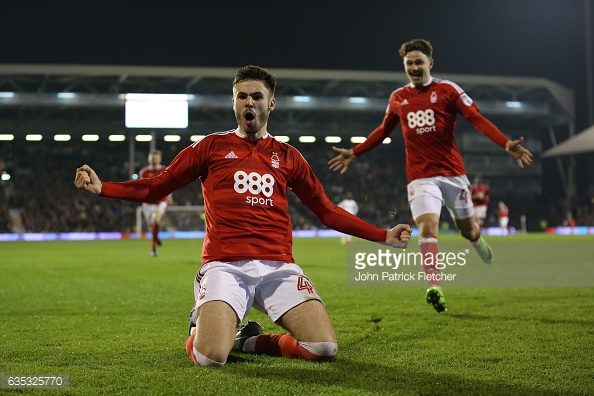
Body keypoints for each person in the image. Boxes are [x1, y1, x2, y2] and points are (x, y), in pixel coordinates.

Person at [74, 65, 412, 367]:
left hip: (278, 266)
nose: (248, 102)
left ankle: (246, 340)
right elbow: (157, 187)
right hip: (225, 265)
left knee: (322, 347)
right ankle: (201, 325)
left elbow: (326, 210)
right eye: (241, 96)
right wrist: (104, 188)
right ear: (234, 103)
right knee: (209, 357)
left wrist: (383, 235)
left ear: (271, 104)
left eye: (256, 96)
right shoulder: (209, 147)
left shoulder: (289, 157)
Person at [328, 39, 533, 313]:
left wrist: (505, 143)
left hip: (453, 175)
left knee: (467, 229)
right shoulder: (398, 97)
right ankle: (435, 286)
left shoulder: (448, 90)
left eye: (418, 62)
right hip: (420, 178)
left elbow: (476, 118)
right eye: (409, 63)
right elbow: (383, 131)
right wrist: (355, 151)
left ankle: (475, 239)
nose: (414, 67)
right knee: (427, 227)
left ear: (430, 63)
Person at [139, 149, 173, 257]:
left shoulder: (165, 170)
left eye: (156, 158)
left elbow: (170, 184)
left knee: (156, 221)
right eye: (152, 158)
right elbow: (141, 187)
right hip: (148, 203)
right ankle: (156, 237)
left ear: (160, 159)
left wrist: (170, 196)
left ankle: (153, 248)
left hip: (161, 201)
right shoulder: (144, 172)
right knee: (151, 226)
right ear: (149, 159)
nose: (154, 160)